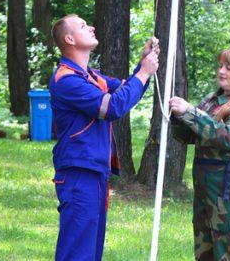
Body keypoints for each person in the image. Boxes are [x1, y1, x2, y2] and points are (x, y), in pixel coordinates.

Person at [48, 14, 160, 261]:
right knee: (77, 251)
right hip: (79, 173)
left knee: (90, 250)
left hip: (94, 172)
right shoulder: (66, 79)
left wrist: (143, 66)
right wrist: (143, 73)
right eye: (82, 26)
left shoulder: (90, 76)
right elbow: (111, 108)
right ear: (69, 39)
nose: (92, 26)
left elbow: (125, 89)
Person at [169, 43, 230, 261]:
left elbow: (228, 137)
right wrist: (177, 116)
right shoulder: (211, 102)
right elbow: (188, 136)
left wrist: (190, 112)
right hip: (206, 192)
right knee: (206, 254)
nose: (222, 71)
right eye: (221, 66)